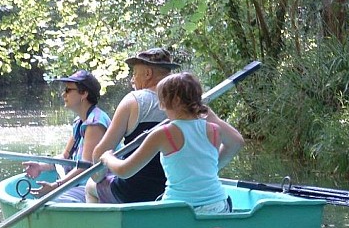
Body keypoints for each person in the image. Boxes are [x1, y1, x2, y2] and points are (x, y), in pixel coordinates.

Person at [99, 72, 244, 214]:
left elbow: (125, 171)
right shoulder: (214, 130)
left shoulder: (163, 134)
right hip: (217, 205)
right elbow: (234, 143)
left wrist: (108, 158)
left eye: (161, 100)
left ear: (172, 101)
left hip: (178, 209)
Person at [85, 48, 179, 204]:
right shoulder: (184, 103)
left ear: (148, 74)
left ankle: (102, 227)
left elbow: (100, 154)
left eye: (134, 73)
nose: (132, 79)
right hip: (172, 190)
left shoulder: (133, 100)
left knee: (91, 186)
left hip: (134, 191)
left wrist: (101, 173)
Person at [23, 69, 111, 202]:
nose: (63, 94)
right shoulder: (80, 121)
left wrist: (56, 186)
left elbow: (85, 168)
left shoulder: (95, 123)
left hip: (94, 188)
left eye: (68, 90)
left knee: (49, 202)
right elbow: (65, 157)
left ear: (84, 94)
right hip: (79, 185)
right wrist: (41, 166)